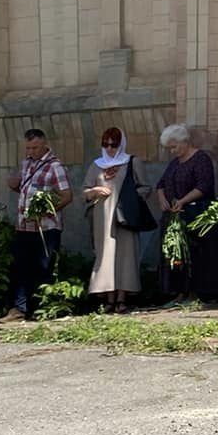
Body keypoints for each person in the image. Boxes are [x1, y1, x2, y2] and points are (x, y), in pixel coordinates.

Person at [154, 124, 218, 306]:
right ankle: (180, 293)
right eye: (169, 148)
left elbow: (203, 186)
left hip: (197, 215)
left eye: (175, 146)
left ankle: (199, 293)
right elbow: (161, 184)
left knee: (197, 255)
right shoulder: (174, 163)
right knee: (177, 255)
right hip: (175, 217)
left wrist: (183, 201)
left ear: (185, 141)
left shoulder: (201, 159)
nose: (172, 151)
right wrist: (162, 199)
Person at [3, 129, 73, 321]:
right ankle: (19, 309)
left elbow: (67, 196)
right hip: (24, 226)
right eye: (28, 148)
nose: (31, 151)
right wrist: (14, 184)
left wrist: (44, 211)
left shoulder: (55, 166)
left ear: (44, 144)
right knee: (21, 267)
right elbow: (25, 188)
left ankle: (42, 309)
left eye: (35, 147)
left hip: (46, 227)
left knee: (43, 267)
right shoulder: (26, 164)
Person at [82, 128, 142, 313]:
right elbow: (84, 191)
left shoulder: (132, 162)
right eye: (105, 144)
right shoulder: (96, 165)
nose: (109, 149)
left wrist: (130, 198)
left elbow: (145, 187)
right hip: (103, 218)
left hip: (125, 217)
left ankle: (122, 299)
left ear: (121, 144)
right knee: (106, 255)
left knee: (126, 255)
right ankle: (108, 298)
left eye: (113, 144)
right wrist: (95, 191)